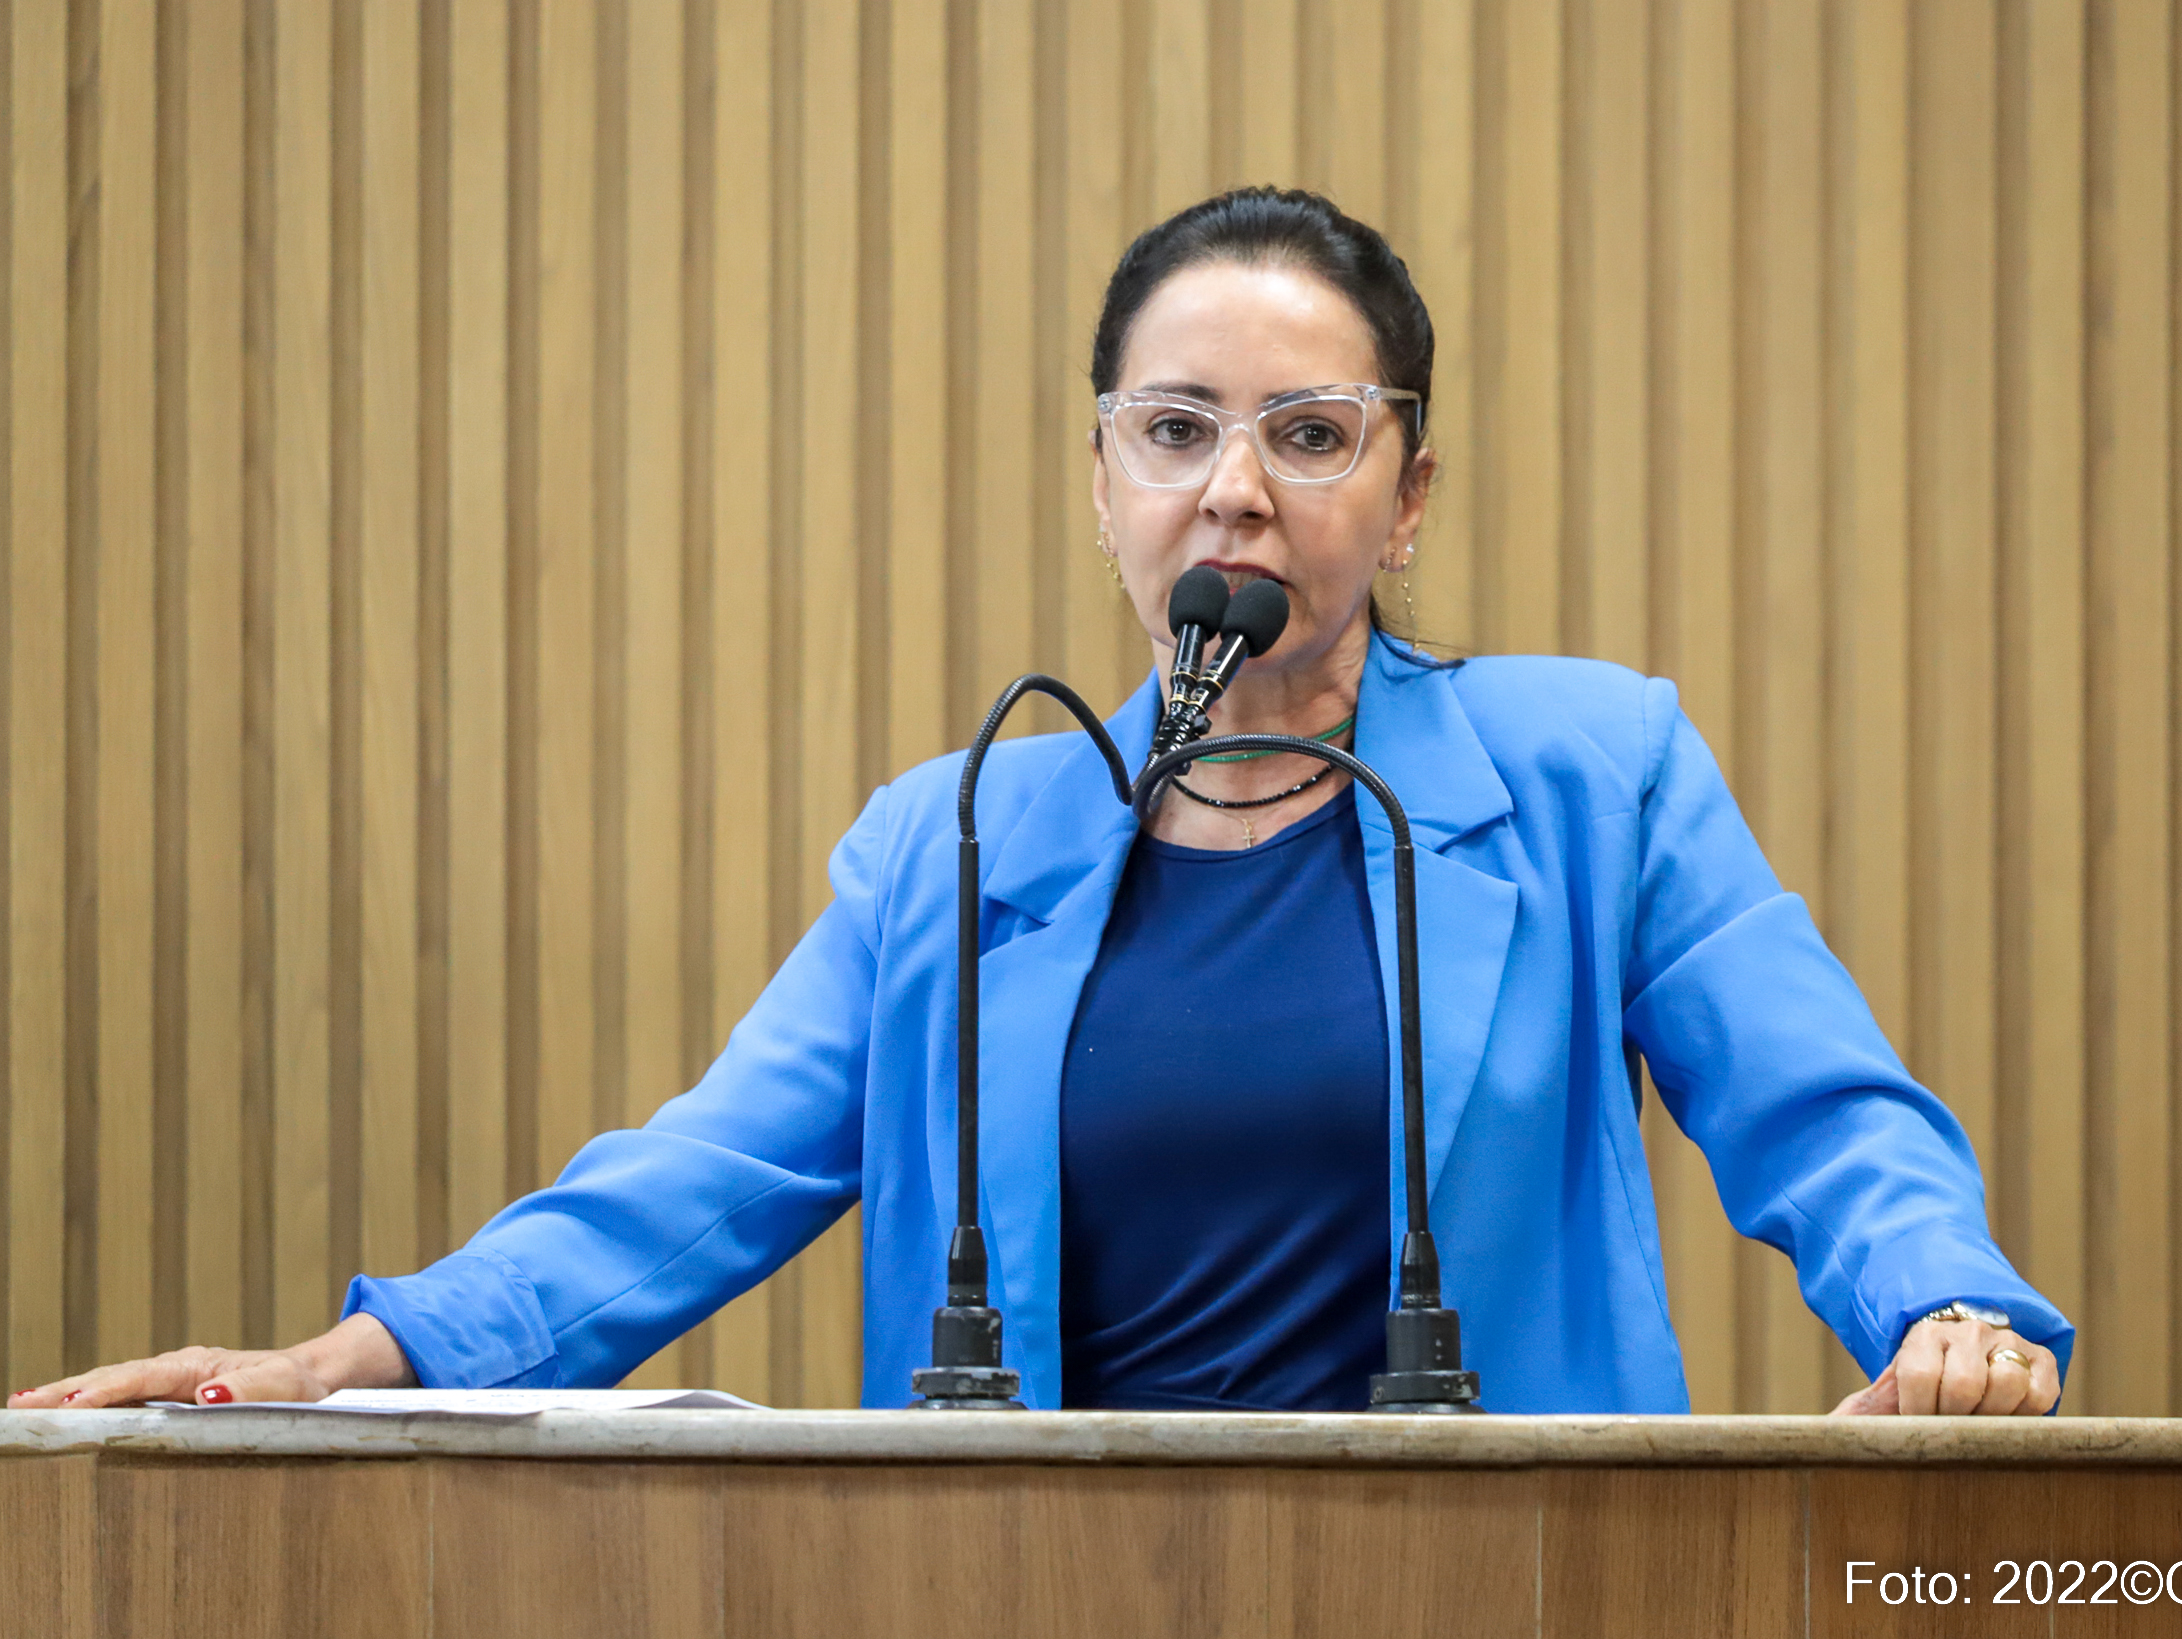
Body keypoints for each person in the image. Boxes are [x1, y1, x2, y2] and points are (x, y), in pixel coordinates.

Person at [12, 188, 2068, 1418]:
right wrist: (355, 1363)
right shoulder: (958, 839)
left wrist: (1947, 1307)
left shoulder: (1589, 773)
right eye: (1174, 431)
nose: (1233, 489)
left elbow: (1823, 1113)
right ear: (1102, 482)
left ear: (1409, 495)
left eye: (1310, 434)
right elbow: (689, 1183)